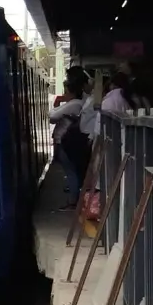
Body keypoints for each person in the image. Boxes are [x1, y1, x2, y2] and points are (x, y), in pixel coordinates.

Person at [50, 68, 95, 207]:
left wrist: (57, 104)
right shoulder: (78, 103)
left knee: (71, 172)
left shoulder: (75, 104)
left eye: (66, 91)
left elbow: (52, 116)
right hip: (71, 141)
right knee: (72, 171)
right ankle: (74, 199)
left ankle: (73, 201)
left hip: (69, 142)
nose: (64, 94)